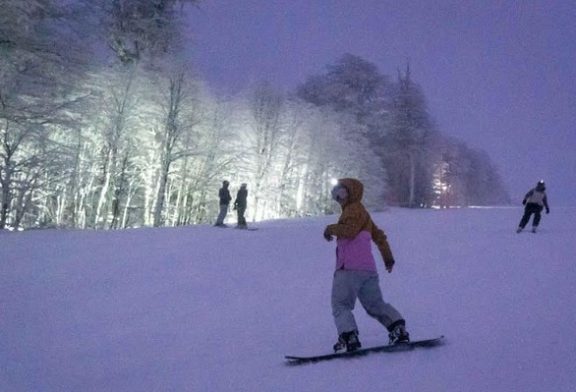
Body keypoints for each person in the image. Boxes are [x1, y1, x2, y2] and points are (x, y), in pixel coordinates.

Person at [323, 178, 409, 353]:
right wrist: (388, 258)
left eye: (341, 192)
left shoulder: (352, 209)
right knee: (375, 304)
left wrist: (330, 229)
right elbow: (379, 237)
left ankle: (349, 336)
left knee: (340, 304)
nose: (338, 197)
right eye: (336, 194)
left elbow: (350, 230)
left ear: (351, 192)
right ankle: (397, 329)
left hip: (348, 269)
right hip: (368, 270)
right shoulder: (365, 215)